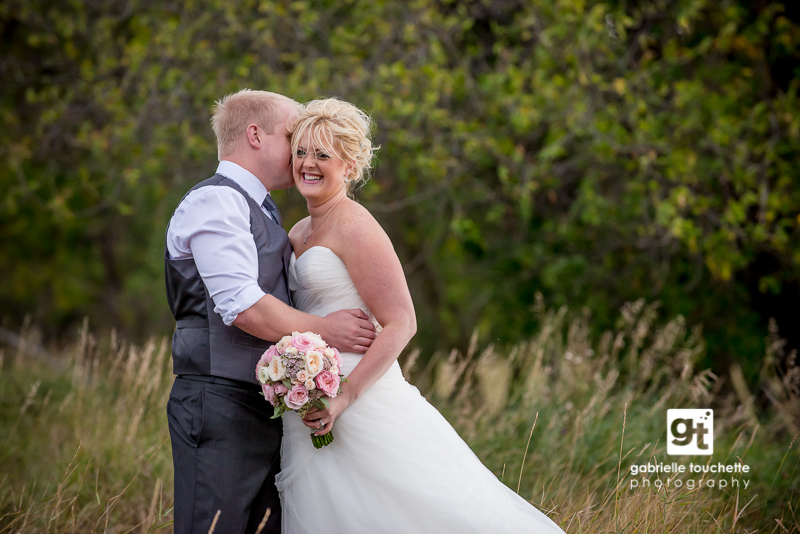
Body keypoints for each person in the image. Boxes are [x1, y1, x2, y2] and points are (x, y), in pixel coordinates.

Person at [275, 98, 565, 533]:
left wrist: (345, 396)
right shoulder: (299, 231)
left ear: (349, 166)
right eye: (301, 152)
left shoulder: (355, 226)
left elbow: (403, 322)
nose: (307, 164)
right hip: (311, 402)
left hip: (361, 402)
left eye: (322, 154)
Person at [164, 89, 376, 534]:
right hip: (218, 402)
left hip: (256, 405)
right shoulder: (216, 201)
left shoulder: (262, 209)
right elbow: (242, 307)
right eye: (293, 139)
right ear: (256, 135)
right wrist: (326, 330)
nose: (301, 155)